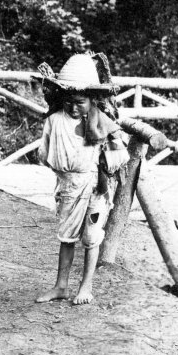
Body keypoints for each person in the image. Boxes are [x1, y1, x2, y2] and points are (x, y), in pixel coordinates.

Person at [35, 53, 129, 305]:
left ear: (92, 100)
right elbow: (44, 153)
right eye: (68, 102)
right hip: (67, 184)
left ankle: (85, 287)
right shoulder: (54, 121)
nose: (74, 107)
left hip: (95, 186)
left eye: (80, 102)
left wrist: (102, 163)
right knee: (66, 236)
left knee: (91, 237)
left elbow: (121, 154)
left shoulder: (102, 122)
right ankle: (61, 286)